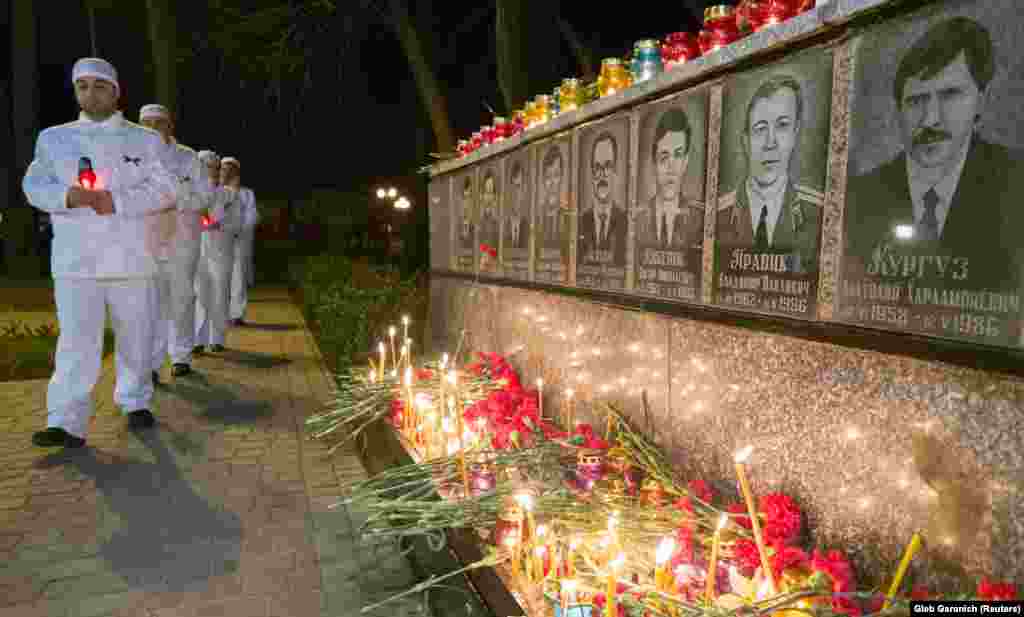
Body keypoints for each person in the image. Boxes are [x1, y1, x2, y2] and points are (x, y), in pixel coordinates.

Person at [23, 57, 176, 448]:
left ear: (116, 91)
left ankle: (135, 399)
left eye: (100, 85)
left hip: (131, 257)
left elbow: (165, 189)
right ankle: (65, 421)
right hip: (76, 260)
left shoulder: (144, 139)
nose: (91, 93)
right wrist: (65, 195)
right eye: (83, 86)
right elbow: (35, 184)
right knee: (75, 342)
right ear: (76, 92)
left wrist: (117, 201)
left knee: (135, 336)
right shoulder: (53, 138)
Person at [845, 17, 1024, 290]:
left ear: (981, 101)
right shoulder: (859, 197)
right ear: (898, 112)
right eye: (916, 101)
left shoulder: (1015, 180)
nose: (930, 120)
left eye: (950, 95)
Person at [138, 103, 215, 379]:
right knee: (152, 302)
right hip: (147, 239)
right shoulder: (132, 155)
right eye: (146, 123)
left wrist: (179, 199)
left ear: (170, 126)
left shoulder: (188, 157)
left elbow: (206, 196)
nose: (152, 128)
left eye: (158, 123)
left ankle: (181, 355)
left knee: (181, 298)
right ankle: (152, 364)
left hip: (183, 237)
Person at [716, 74, 822, 273]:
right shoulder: (717, 216)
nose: (770, 142)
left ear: (794, 134)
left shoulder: (819, 215)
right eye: (760, 129)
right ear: (746, 141)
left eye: (782, 126)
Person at [637, 108, 704, 250]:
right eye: (664, 157)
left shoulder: (700, 218)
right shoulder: (637, 219)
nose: (671, 168)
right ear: (654, 162)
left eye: (678, 155)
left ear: (686, 161)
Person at [194, 154, 240, 353]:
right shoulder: (192, 193)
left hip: (221, 251)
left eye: (213, 167)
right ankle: (197, 340)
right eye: (205, 166)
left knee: (220, 294)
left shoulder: (228, 195)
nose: (211, 171)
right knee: (199, 295)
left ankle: (217, 339)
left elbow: (237, 223)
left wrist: (219, 225)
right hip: (197, 252)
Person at [578, 132, 627, 266]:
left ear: (616, 171)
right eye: (597, 167)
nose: (602, 175)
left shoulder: (626, 222)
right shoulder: (580, 222)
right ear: (591, 172)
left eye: (608, 166)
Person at [227, 158, 258, 325]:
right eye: (225, 169)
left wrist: (239, 230)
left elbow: (252, 216)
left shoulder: (247, 193)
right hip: (219, 241)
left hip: (240, 241)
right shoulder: (217, 191)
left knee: (238, 276)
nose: (229, 173)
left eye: (232, 170)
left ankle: (236, 314)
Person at [535, 147, 566, 246]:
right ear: (543, 179)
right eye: (548, 176)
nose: (552, 182)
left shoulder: (566, 213)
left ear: (562, 177)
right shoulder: (538, 214)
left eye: (556, 175)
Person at [503, 161, 529, 250]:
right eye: (518, 177)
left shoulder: (523, 190)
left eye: (521, 176)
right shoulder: (511, 191)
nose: (520, 179)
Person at [478, 171, 500, 248]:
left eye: (491, 193)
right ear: (482, 195)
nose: (488, 197)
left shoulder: (496, 217)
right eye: (486, 193)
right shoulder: (480, 217)